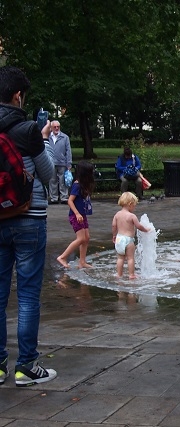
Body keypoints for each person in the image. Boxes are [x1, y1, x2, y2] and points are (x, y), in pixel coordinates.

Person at [0, 65, 57, 386]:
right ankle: (26, 366)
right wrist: (45, 140)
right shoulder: (27, 129)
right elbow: (48, 175)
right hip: (29, 219)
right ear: (18, 95)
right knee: (27, 295)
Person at [56, 161, 95, 269]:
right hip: (75, 215)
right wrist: (77, 213)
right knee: (81, 238)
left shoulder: (83, 185)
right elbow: (70, 201)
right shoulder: (77, 185)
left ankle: (82, 262)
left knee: (86, 238)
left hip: (82, 215)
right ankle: (62, 257)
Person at [112, 192, 150, 279]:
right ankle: (131, 274)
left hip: (119, 238)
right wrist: (146, 230)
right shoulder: (132, 216)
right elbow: (138, 226)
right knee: (130, 258)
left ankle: (119, 274)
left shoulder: (117, 214)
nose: (134, 208)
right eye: (134, 205)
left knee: (120, 258)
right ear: (130, 204)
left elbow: (114, 225)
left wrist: (114, 235)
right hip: (128, 240)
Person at [48, 120, 72, 204]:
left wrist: (69, 163)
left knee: (63, 182)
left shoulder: (65, 137)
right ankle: (53, 198)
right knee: (52, 181)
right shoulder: (47, 137)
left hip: (62, 162)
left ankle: (64, 198)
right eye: (54, 127)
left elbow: (68, 151)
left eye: (58, 126)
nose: (56, 128)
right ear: (51, 128)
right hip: (50, 163)